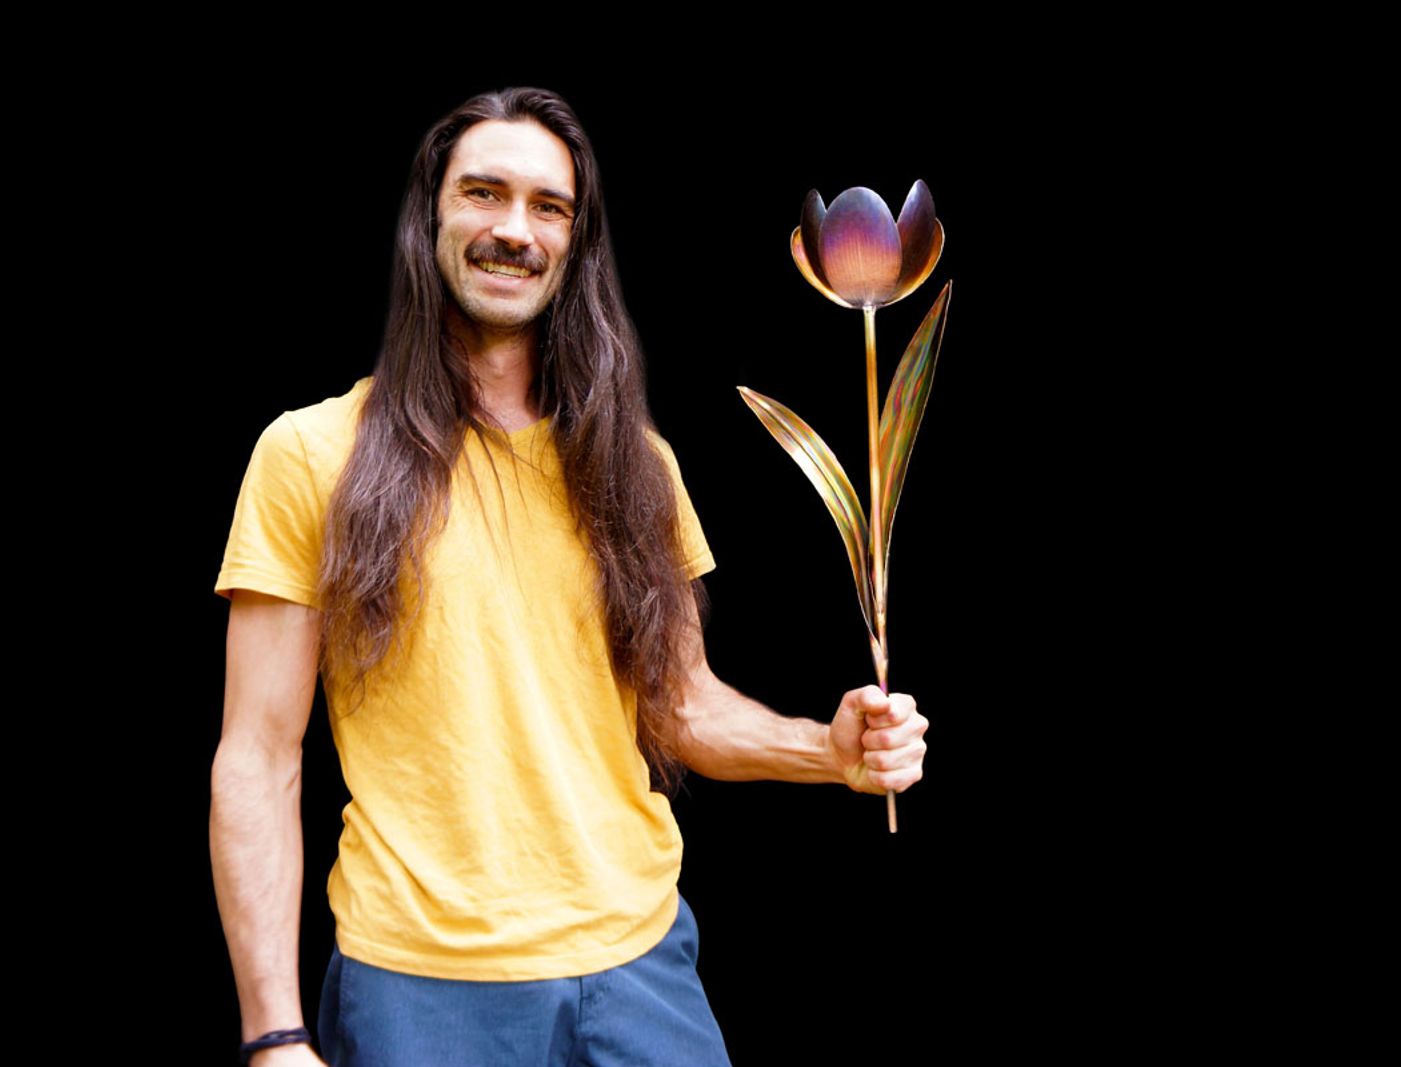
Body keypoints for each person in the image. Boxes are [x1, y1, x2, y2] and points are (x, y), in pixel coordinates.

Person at [209, 86, 929, 1067]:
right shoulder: (309, 453)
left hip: (640, 967)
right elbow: (257, 756)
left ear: (578, 243)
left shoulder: (640, 464)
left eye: (549, 206)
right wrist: (274, 1032)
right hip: (419, 986)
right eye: (484, 193)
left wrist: (827, 749)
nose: (514, 228)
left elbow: (678, 706)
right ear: (432, 216)